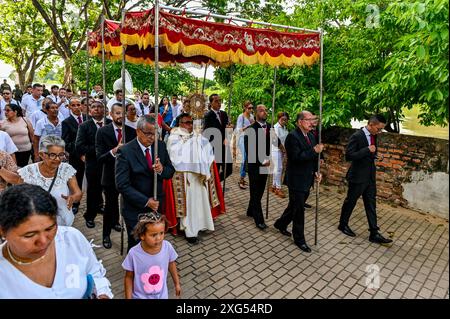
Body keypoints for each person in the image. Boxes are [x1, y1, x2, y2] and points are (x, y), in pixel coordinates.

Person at [0, 184, 113, 299]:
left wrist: (102, 293)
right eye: (29, 235)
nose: (44, 241)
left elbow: (94, 272)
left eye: (50, 228)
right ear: (3, 231)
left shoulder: (71, 238)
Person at [116, 115, 175, 251]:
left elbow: (171, 171)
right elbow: (121, 184)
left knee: (154, 242)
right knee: (137, 245)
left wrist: (161, 170)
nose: (152, 137)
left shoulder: (160, 146)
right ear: (138, 131)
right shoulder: (125, 151)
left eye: (155, 133)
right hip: (135, 208)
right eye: (148, 133)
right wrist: (146, 201)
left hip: (157, 205)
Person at [167, 113, 225, 244]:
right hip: (185, 177)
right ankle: (190, 231)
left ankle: (202, 225)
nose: (190, 125)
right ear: (180, 123)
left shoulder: (197, 136)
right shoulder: (174, 137)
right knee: (189, 204)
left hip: (199, 177)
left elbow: (208, 150)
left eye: (191, 122)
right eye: (187, 122)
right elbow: (175, 157)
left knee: (200, 202)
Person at [273, 111, 324, 253]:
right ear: (300, 121)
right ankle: (299, 239)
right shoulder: (292, 137)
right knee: (299, 210)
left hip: (307, 178)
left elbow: (313, 159)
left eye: (313, 119)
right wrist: (314, 150)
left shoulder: (311, 136)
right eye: (309, 120)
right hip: (296, 179)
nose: (312, 122)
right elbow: (296, 157)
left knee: (294, 205)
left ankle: (280, 223)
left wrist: (316, 172)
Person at [338, 114, 393, 244]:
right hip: (357, 176)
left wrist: (375, 156)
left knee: (371, 204)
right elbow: (349, 156)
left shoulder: (374, 136)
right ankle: (342, 224)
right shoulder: (356, 136)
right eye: (378, 128)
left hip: (370, 176)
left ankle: (374, 233)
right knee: (350, 201)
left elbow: (371, 153)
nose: (379, 131)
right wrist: (367, 150)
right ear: (371, 124)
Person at [4, 135, 82, 226]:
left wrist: (72, 198)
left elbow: (78, 193)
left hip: (63, 222)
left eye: (61, 155)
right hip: (40, 224)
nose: (57, 159)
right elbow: (15, 179)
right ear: (41, 154)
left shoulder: (66, 169)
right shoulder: (30, 171)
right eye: (52, 155)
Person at [95, 104, 135, 249]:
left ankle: (121, 226)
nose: (120, 116)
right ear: (111, 114)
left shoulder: (131, 132)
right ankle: (106, 235)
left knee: (128, 206)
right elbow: (100, 158)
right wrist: (115, 150)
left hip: (128, 177)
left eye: (122, 113)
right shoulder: (102, 132)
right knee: (110, 207)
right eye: (117, 113)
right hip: (110, 176)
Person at [122, 211, 181, 299]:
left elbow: (171, 264)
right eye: (153, 235)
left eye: (161, 233)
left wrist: (177, 283)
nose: (159, 238)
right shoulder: (133, 254)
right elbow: (128, 278)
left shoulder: (167, 247)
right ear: (142, 235)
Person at [244, 104, 280, 230]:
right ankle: (259, 219)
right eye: (261, 110)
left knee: (260, 190)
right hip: (255, 165)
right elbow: (250, 149)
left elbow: (276, 141)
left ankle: (250, 210)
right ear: (256, 113)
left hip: (266, 165)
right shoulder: (250, 129)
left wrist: (284, 149)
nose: (264, 112)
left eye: (265, 110)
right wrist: (263, 160)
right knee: (255, 191)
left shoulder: (270, 127)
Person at [76, 101, 111, 229]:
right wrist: (98, 149)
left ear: (105, 109)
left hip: (109, 164)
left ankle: (112, 218)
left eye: (99, 106)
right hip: (93, 164)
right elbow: (79, 146)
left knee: (110, 192)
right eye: (94, 107)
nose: (96, 109)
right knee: (93, 192)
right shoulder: (84, 126)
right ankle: (89, 216)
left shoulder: (110, 123)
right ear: (90, 110)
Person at [62, 98, 87, 215]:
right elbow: (66, 143)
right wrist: (80, 154)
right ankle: (76, 203)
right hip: (76, 158)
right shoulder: (66, 122)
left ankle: (98, 204)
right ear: (69, 107)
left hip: (90, 156)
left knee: (94, 181)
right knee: (77, 181)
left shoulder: (88, 118)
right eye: (73, 105)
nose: (76, 107)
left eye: (78, 104)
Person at [203, 94, 233, 181]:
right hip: (215, 148)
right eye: (216, 101)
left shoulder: (224, 114)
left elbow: (228, 128)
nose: (219, 103)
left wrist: (230, 130)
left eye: (220, 101)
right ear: (211, 103)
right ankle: (215, 187)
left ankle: (216, 182)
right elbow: (206, 133)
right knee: (215, 169)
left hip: (225, 146)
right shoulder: (208, 115)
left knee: (229, 169)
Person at [235, 100, 254, 189]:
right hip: (242, 139)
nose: (251, 109)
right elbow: (239, 129)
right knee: (244, 158)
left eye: (252, 108)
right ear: (245, 108)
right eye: (249, 108)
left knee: (248, 158)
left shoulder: (252, 116)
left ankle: (243, 177)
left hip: (250, 139)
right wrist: (249, 125)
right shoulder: (241, 117)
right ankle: (241, 179)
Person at [271, 112, 289, 198]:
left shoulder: (284, 128)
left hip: (282, 151)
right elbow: (275, 141)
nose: (284, 121)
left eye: (286, 120)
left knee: (277, 169)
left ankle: (274, 186)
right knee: (279, 169)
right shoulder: (275, 127)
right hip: (276, 150)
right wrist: (283, 150)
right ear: (279, 118)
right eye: (282, 119)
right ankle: (278, 188)